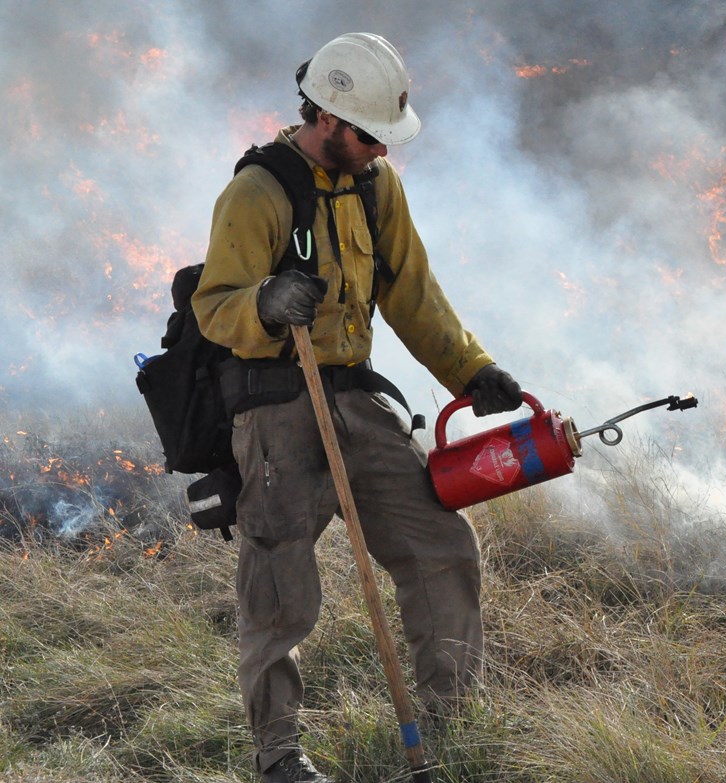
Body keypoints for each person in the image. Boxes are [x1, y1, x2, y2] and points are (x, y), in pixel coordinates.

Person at [192, 32, 523, 783]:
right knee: (279, 587)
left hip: (354, 396)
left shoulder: (378, 186)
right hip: (277, 405)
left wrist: (473, 370)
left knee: (441, 544)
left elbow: (412, 294)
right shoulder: (258, 191)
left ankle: (449, 726)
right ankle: (279, 755)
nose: (381, 149)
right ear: (329, 118)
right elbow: (215, 307)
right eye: (371, 134)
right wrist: (266, 302)